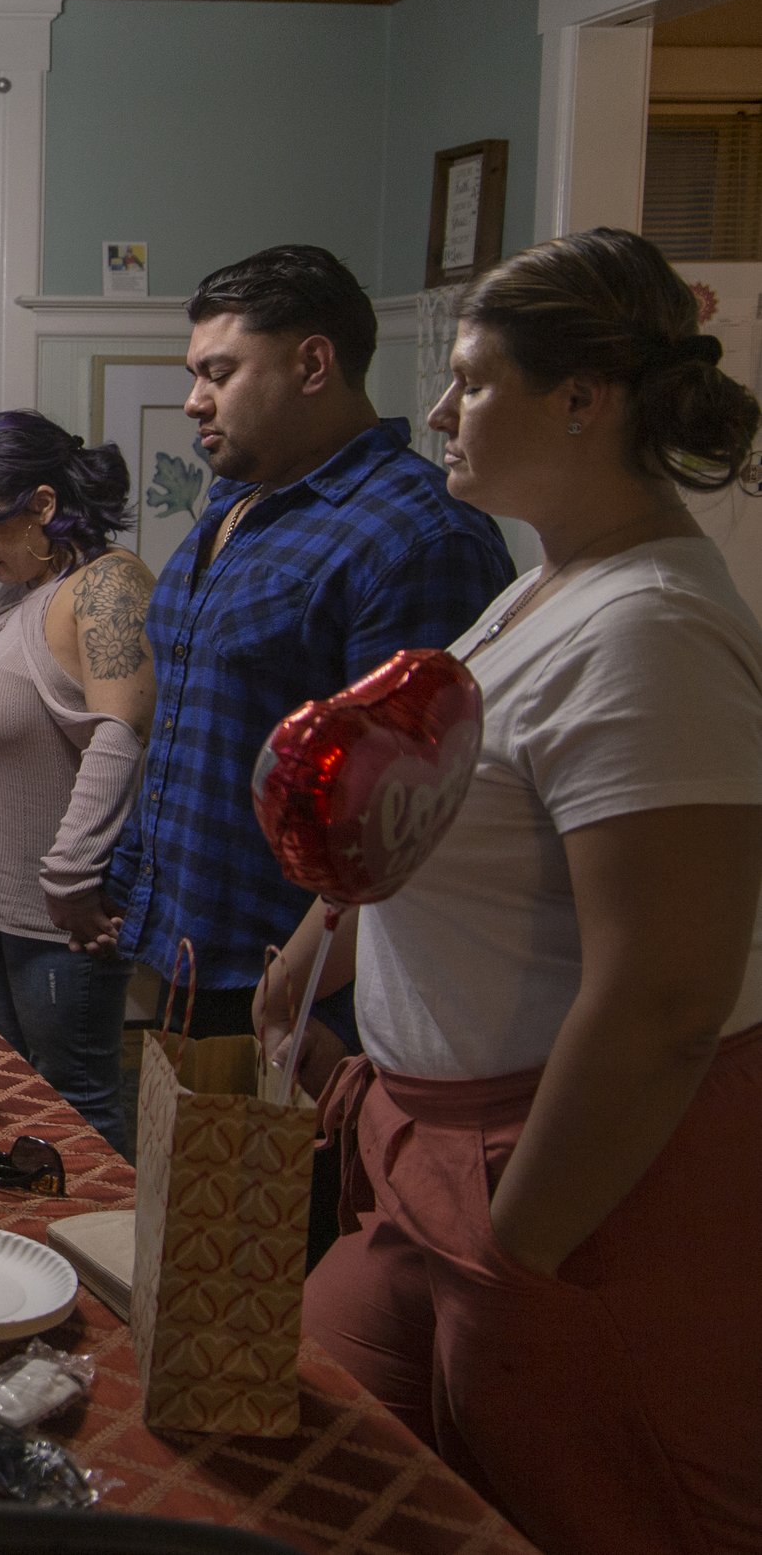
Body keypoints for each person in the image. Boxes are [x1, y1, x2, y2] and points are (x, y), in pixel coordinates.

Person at [251, 230, 762, 1555]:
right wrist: (313, 954)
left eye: (472, 379)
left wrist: (519, 1255)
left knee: (586, 1507)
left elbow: (665, 996)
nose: (437, 412)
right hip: (419, 1150)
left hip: (570, 1175)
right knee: (317, 1464)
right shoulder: (537, 592)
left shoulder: (650, 629)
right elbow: (412, 805)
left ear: (585, 397)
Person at [98, 246, 513, 1068]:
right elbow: (188, 714)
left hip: (304, 997)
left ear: (313, 363)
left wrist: (313, 995)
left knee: (288, 1200)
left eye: (218, 372)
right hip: (185, 949)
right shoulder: (237, 503)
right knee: (178, 1197)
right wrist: (129, 882)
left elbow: (408, 823)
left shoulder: (415, 538)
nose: (193, 400)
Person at [0, 411, 152, 1154]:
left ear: (43, 505)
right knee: (16, 1091)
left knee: (76, 1102)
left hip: (56, 917)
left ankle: (100, 1261)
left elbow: (120, 734)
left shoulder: (106, 586)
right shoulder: (25, 596)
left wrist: (72, 875)